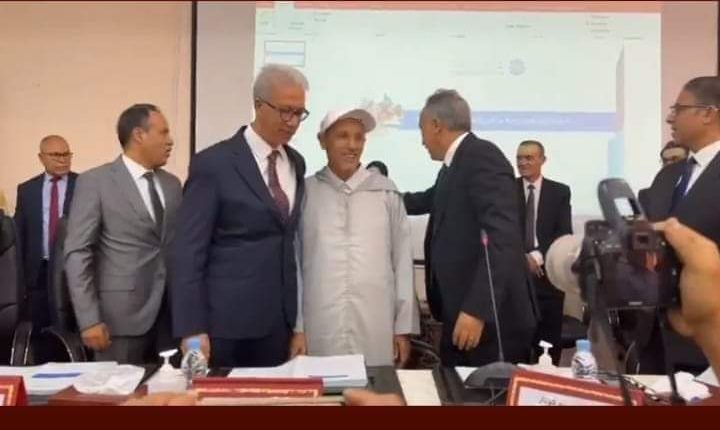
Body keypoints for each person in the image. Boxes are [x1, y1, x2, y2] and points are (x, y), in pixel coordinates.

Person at [170, 64, 308, 367]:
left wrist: (298, 324)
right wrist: (191, 328)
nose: (292, 122)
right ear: (259, 105)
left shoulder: (296, 162)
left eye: (299, 113)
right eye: (285, 111)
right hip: (224, 326)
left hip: (278, 324)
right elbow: (188, 251)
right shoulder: (214, 164)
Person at [404, 89, 537, 366]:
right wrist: (381, 195)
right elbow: (427, 199)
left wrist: (477, 309)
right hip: (460, 312)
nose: (421, 141)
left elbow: (502, 238)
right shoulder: (455, 165)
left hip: (488, 322)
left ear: (436, 125)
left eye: (421, 129)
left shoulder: (482, 157)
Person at [292, 108, 419, 367]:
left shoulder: (386, 194)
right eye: (342, 136)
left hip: (375, 325)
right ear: (322, 141)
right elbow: (294, 265)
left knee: (374, 386)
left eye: (359, 138)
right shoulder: (305, 193)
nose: (352, 145)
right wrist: (298, 327)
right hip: (319, 326)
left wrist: (402, 329)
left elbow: (402, 265)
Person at [65, 104, 182, 364]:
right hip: (118, 320)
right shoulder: (96, 182)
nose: (170, 141)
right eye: (163, 133)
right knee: (118, 389)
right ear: (139, 135)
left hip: (171, 317)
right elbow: (77, 253)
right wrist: (89, 319)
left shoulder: (172, 185)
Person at [638, 76, 720, 373]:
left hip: (707, 339)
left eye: (678, 109)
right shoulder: (668, 176)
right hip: (655, 336)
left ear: (708, 113)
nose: (670, 118)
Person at [515, 140, 572, 365]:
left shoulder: (559, 192)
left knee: (547, 348)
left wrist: (536, 257)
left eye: (529, 158)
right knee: (516, 347)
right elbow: (502, 229)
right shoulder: (506, 189)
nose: (523, 162)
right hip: (515, 279)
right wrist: (522, 258)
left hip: (547, 277)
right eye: (519, 158)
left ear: (542, 160)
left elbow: (563, 232)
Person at [14, 135, 77, 330]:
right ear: (41, 158)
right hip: (37, 271)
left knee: (70, 328)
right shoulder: (27, 190)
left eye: (66, 154)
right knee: (39, 329)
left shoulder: (84, 185)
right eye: (56, 155)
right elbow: (19, 234)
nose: (63, 160)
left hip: (72, 269)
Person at [638, 141, 688, 209]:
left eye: (675, 159)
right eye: (665, 160)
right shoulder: (646, 197)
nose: (669, 163)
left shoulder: (694, 192)